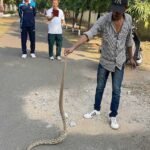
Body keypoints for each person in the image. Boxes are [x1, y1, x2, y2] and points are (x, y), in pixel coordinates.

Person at [64, 0, 136, 130]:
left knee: (116, 91)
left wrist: (131, 58)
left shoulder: (129, 20)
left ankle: (113, 115)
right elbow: (90, 33)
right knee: (99, 87)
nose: (114, 12)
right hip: (105, 62)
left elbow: (129, 40)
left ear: (125, 8)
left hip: (120, 62)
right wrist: (73, 47)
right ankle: (96, 109)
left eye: (118, 10)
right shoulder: (104, 20)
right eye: (113, 9)